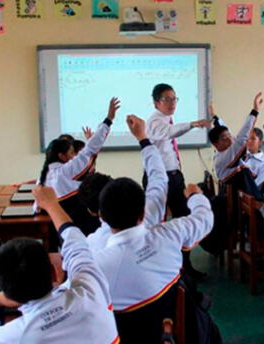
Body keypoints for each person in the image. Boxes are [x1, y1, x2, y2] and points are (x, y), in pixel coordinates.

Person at [93, 115, 214, 343]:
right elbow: (162, 182)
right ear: (142, 213)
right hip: (169, 328)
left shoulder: (95, 261)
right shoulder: (169, 233)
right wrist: (197, 197)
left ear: (102, 217)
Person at [0, 186, 119, 343]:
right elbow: (76, 244)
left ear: (9, 294)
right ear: (53, 272)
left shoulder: (14, 336)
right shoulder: (91, 288)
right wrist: (52, 204)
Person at [81, 115, 168, 252]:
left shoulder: (92, 246)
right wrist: (142, 138)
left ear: (96, 213)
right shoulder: (150, 214)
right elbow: (159, 177)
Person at [36, 97, 120, 236]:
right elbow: (90, 149)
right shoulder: (66, 170)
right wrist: (109, 119)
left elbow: (37, 207)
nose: (74, 155)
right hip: (81, 224)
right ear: (61, 156)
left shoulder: (46, 175)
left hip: (59, 226)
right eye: (71, 152)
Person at [146, 83, 211, 218]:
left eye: (174, 99)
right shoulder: (154, 121)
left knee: (180, 213)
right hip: (161, 178)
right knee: (172, 215)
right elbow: (169, 132)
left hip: (172, 175)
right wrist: (192, 124)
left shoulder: (166, 118)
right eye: (167, 99)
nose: (172, 103)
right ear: (156, 103)